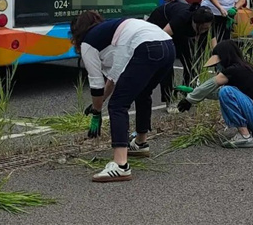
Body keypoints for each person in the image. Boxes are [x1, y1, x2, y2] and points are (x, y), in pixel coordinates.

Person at [71, 10, 175, 182]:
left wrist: (97, 111)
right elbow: (113, 78)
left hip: (146, 46)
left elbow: (96, 84)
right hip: (168, 45)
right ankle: (140, 143)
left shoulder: (88, 42)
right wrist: (100, 103)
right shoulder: (110, 30)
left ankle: (121, 165)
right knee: (143, 93)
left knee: (117, 105)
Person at [176, 40, 253, 148]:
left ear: (224, 58)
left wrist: (189, 99)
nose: (217, 67)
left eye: (217, 64)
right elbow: (217, 94)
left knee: (226, 91)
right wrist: (192, 91)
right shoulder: (246, 69)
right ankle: (252, 131)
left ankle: (245, 136)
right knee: (225, 92)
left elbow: (213, 85)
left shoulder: (234, 70)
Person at [146, 0, 213, 113]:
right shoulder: (181, 19)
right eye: (202, 29)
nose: (203, 31)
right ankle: (170, 99)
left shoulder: (208, 19)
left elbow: (213, 43)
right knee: (167, 62)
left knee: (192, 61)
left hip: (179, 31)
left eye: (206, 29)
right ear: (194, 23)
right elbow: (162, 37)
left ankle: (189, 96)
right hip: (161, 27)